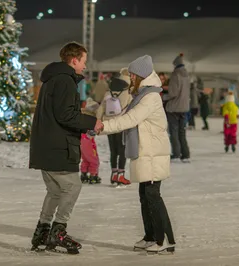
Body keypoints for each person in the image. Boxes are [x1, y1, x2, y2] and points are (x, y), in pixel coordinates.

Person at [95, 55, 176, 254]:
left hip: (152, 153)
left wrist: (103, 126)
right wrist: (99, 122)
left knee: (152, 195)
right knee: (145, 195)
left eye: (132, 74)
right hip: (145, 151)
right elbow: (124, 116)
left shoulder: (149, 98)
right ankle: (150, 236)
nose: (130, 77)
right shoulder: (142, 94)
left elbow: (130, 119)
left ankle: (164, 238)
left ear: (140, 75)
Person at [29, 42, 102, 254]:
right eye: (83, 62)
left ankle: (42, 231)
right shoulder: (65, 81)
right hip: (58, 146)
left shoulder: (52, 79)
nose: (84, 67)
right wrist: (91, 122)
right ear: (74, 60)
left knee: (55, 191)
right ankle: (58, 231)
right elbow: (65, 115)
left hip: (47, 145)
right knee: (72, 187)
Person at [96, 70, 132, 185]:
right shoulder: (128, 93)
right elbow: (133, 109)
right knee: (122, 150)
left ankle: (114, 174)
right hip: (121, 125)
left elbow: (101, 108)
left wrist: (98, 121)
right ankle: (121, 175)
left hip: (109, 124)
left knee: (113, 150)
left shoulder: (109, 92)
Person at [165, 53, 191, 163]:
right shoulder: (187, 75)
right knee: (182, 132)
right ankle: (185, 153)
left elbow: (173, 93)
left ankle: (176, 153)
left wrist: (164, 97)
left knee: (173, 132)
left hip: (174, 108)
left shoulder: (176, 75)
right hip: (184, 107)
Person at [80, 98, 101, 184]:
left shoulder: (81, 117)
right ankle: (93, 175)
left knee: (85, 158)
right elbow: (94, 132)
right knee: (93, 158)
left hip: (81, 140)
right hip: (89, 141)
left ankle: (83, 174)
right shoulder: (92, 120)